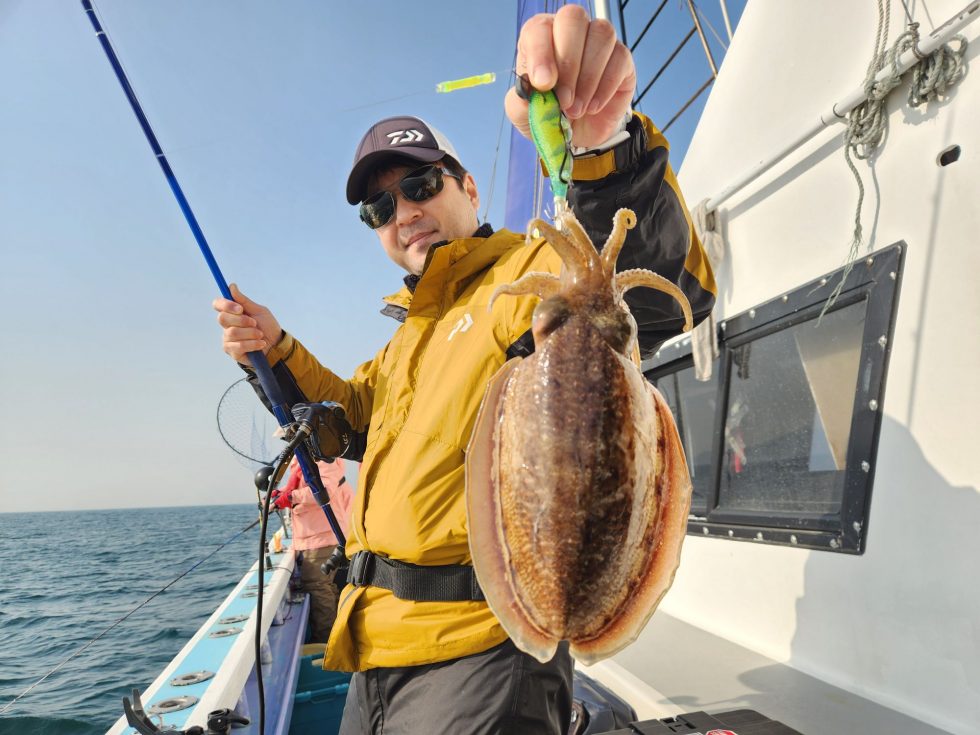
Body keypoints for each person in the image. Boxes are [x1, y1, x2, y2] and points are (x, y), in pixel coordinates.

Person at [215, 7, 717, 734]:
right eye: (380, 207)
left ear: (469, 188)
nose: (403, 212)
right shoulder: (406, 339)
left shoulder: (524, 274)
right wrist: (275, 346)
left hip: (480, 652)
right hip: (374, 648)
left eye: (421, 185)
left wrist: (605, 144)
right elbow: (337, 425)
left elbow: (656, 287)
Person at [275, 456, 353, 644]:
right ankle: (338, 638)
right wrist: (281, 494)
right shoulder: (301, 458)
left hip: (322, 538)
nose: (287, 437)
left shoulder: (322, 458)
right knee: (327, 588)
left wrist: (291, 497)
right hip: (314, 537)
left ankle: (327, 643)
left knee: (319, 588)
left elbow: (325, 490)